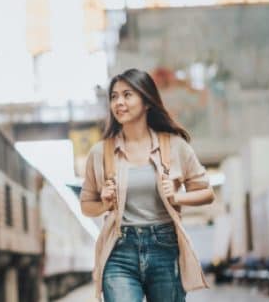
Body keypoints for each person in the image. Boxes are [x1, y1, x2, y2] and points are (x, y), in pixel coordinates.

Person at [80, 69, 215, 302]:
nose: (119, 102)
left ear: (146, 101)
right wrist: (103, 203)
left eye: (127, 95)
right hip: (119, 250)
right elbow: (86, 206)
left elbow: (207, 192)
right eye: (114, 96)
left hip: (164, 247)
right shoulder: (100, 152)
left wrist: (177, 197)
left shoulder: (174, 146)